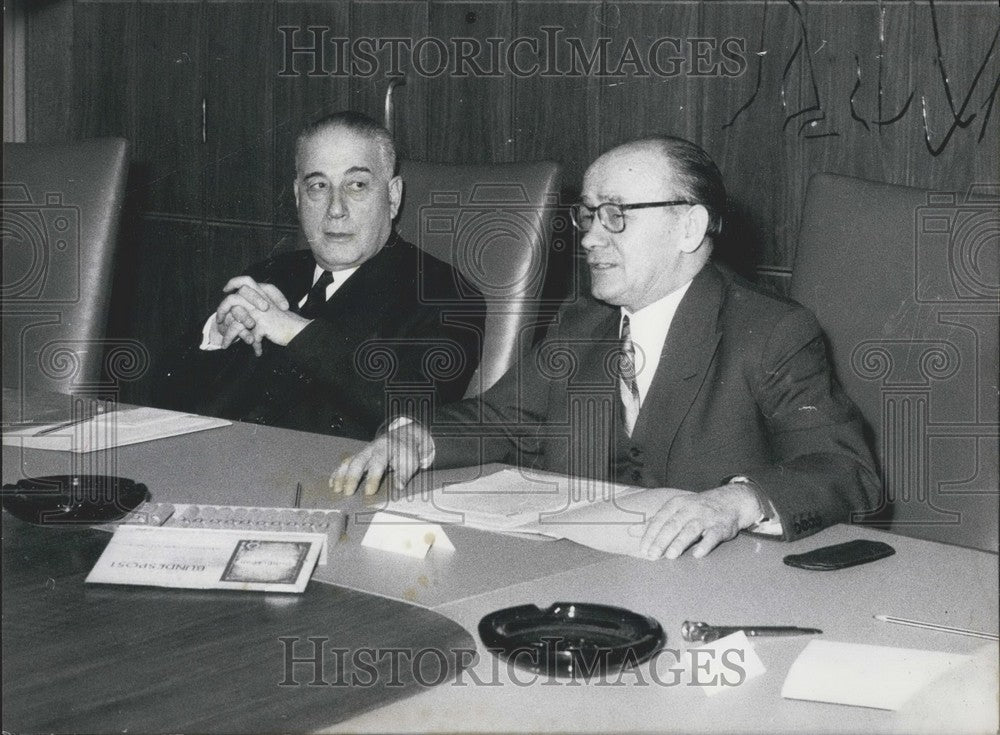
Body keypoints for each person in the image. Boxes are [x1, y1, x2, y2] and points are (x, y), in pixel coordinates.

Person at [331, 136, 880, 559]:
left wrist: (736, 503)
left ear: (688, 227)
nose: (592, 237)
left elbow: (846, 470)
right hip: (579, 572)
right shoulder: (584, 321)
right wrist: (417, 440)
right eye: (589, 215)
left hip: (713, 590)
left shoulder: (772, 332)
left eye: (616, 214)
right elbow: (501, 418)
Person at [160, 111, 485, 440]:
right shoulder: (268, 274)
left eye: (357, 185)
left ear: (393, 196)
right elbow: (161, 400)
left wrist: (294, 330)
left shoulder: (445, 293)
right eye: (318, 186)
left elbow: (412, 412)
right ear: (299, 197)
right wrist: (216, 333)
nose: (335, 208)